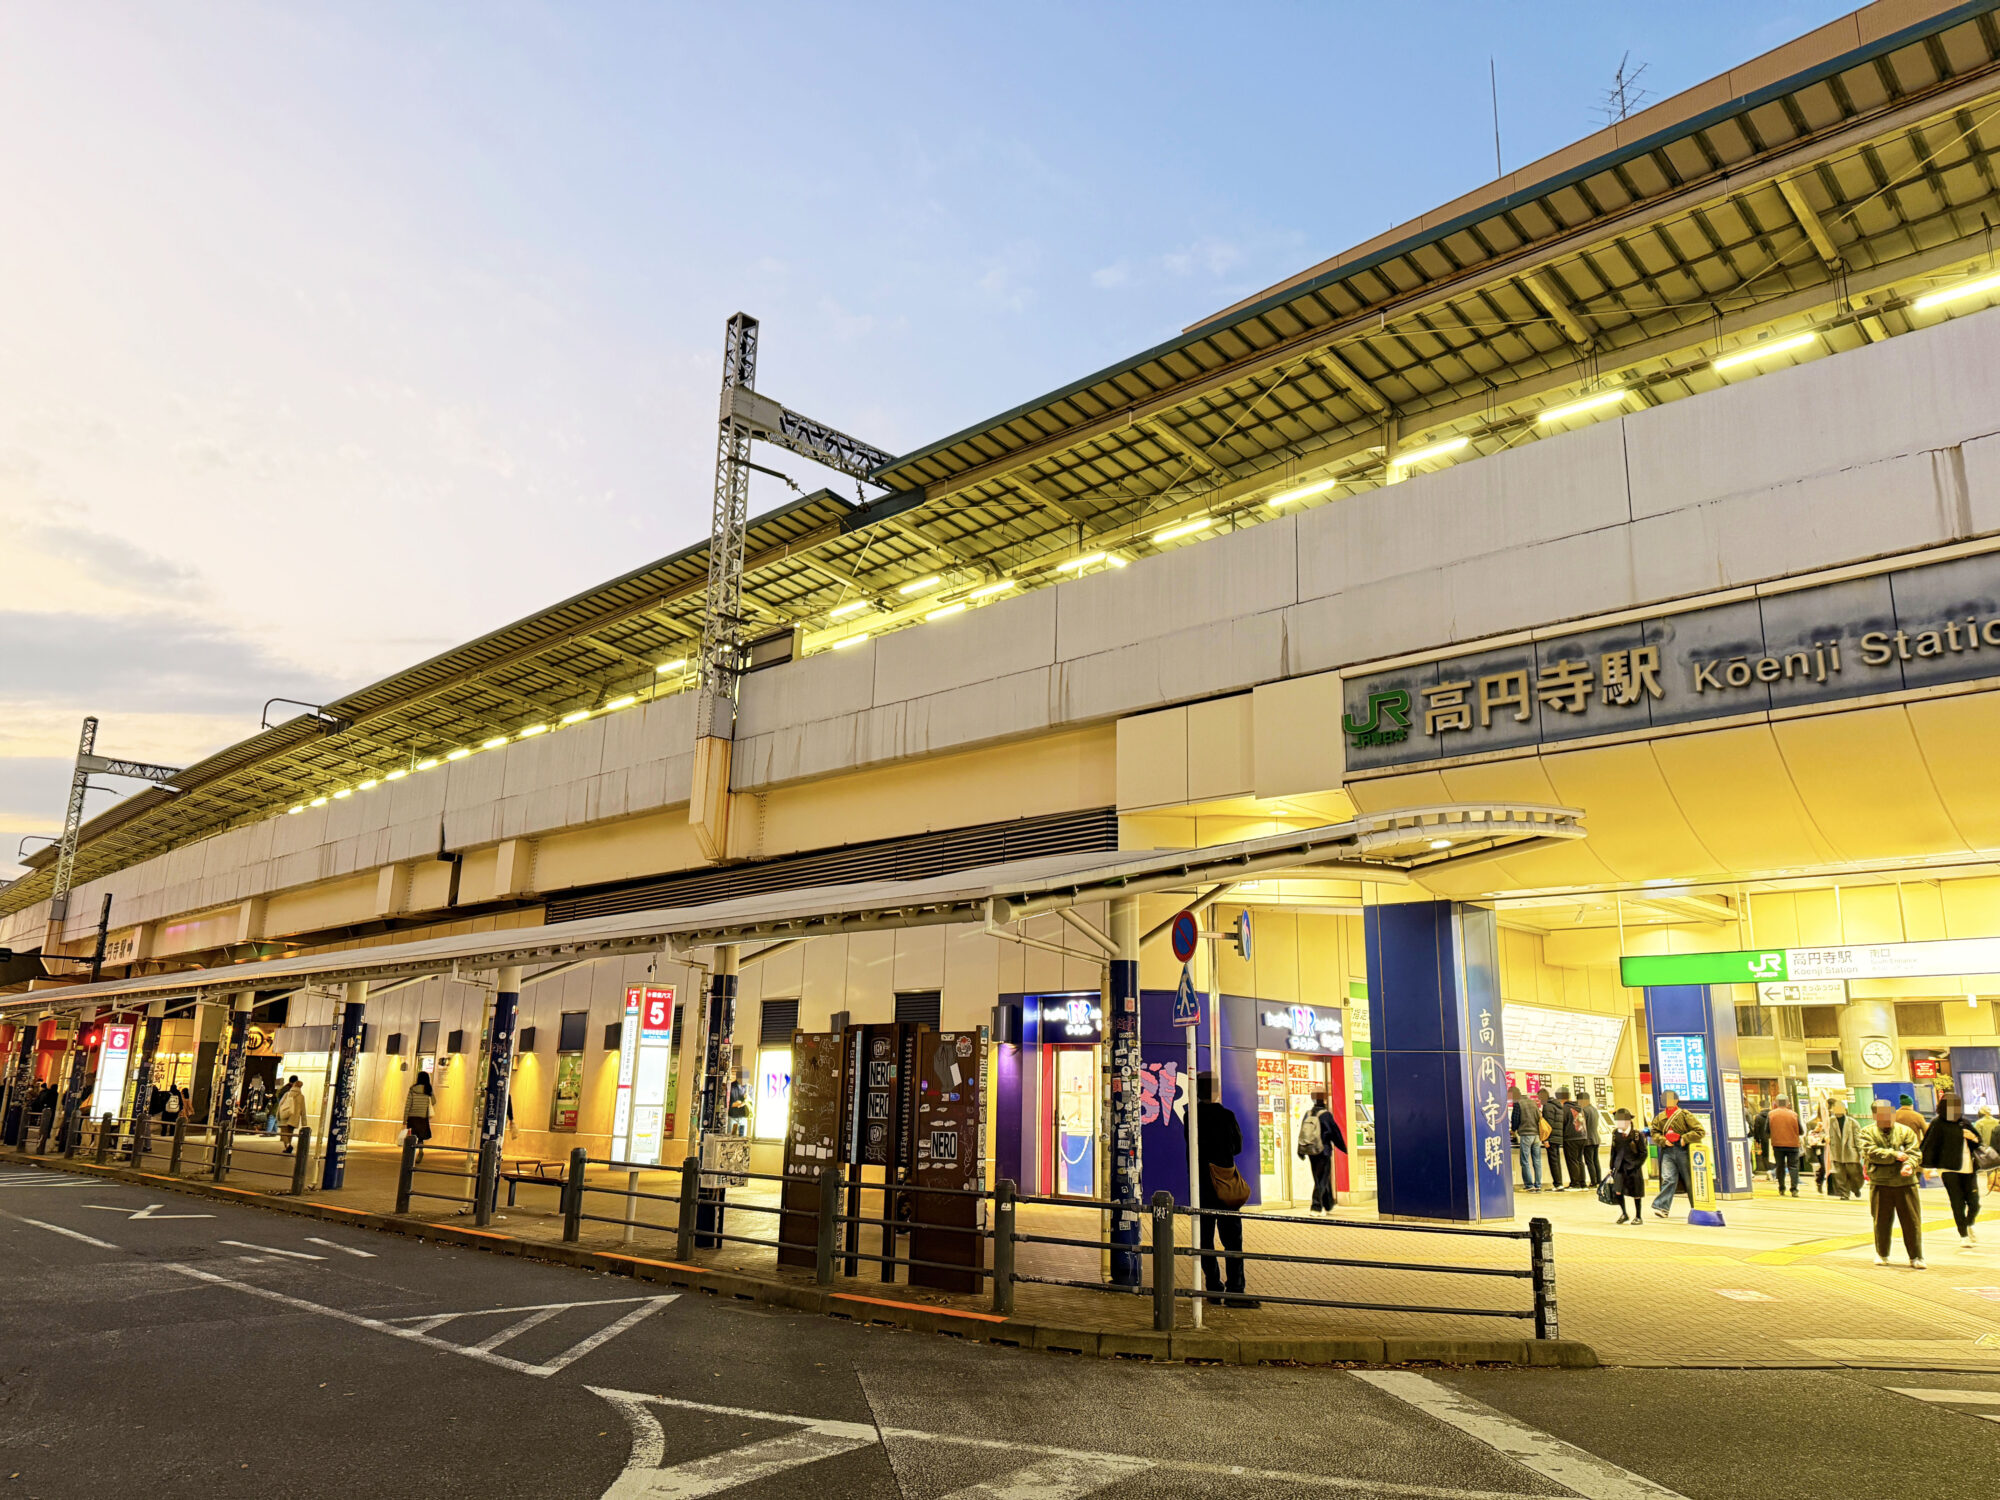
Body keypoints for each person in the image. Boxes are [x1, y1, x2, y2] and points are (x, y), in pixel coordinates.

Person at [1188, 1071, 1257, 1307]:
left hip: (1202, 1187)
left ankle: (1213, 1287)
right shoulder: (1226, 1116)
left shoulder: (1191, 1116)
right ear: (1216, 1091)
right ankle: (1235, 1290)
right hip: (1226, 1187)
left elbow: (1191, 1151)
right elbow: (1237, 1147)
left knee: (1205, 1240)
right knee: (1232, 1241)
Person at [1860, 1097, 1925, 1268]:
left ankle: (1916, 1257)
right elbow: (1871, 1153)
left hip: (1906, 1182)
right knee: (1881, 1221)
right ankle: (1882, 1253)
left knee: (1912, 1221)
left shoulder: (1905, 1131)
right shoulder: (1867, 1133)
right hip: (1880, 1183)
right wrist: (1895, 1155)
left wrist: (1909, 1165)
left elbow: (1915, 1152)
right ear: (1874, 1116)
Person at [1921, 1092, 1982, 1250]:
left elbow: (1978, 1142)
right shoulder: (1938, 1123)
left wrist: (1973, 1138)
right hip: (1948, 1168)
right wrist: (1926, 1167)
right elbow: (1929, 1145)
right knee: (1957, 1202)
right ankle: (1963, 1235)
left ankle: (1969, 1223)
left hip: (1968, 1167)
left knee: (1974, 1203)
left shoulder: (1964, 1122)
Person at [1649, 1090, 1704, 1220]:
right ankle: (1662, 1207)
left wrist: (1685, 1138)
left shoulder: (1685, 1115)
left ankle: (1697, 1208)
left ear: (1676, 1100)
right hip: (1667, 1150)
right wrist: (1662, 1140)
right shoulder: (1660, 1117)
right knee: (1668, 1178)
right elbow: (1654, 1133)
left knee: (1689, 1180)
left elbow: (1699, 1131)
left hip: (1683, 1150)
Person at [1296, 1089, 1345, 1212]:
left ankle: (1328, 1203)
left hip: (1311, 1151)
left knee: (1320, 1176)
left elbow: (1302, 1133)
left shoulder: (1308, 1114)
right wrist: (1344, 1148)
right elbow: (1335, 1133)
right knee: (1322, 1178)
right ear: (1324, 1100)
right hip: (1323, 1151)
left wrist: (1300, 1150)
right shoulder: (1326, 1115)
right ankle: (1316, 1206)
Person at [1606, 1108, 1649, 1223]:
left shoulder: (1637, 1135)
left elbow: (1643, 1153)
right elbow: (1613, 1151)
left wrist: (1636, 1165)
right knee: (1618, 1190)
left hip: (1633, 1168)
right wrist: (1612, 1166)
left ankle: (1638, 1216)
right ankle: (1624, 1213)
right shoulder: (1616, 1134)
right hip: (1620, 1167)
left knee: (1636, 1193)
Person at [1825, 1097, 1865, 1201]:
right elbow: (1824, 1133)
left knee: (1855, 1174)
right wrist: (1825, 1138)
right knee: (1839, 1175)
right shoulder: (1830, 1122)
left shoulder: (1853, 1123)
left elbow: (1858, 1138)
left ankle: (1856, 1188)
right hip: (1836, 1152)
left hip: (1850, 1152)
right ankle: (1844, 1193)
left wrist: (1861, 1151)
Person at [1508, 1086, 1545, 1193]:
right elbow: (1538, 1118)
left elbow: (1515, 1119)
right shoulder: (1533, 1103)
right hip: (1536, 1135)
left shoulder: (1518, 1103)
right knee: (1537, 1161)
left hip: (1525, 1135)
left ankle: (1529, 1185)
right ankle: (1538, 1184)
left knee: (1525, 1161)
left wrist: (1513, 1130)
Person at [1768, 1093, 1802, 1197]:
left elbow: (1767, 1130)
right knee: (1793, 1167)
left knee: (1780, 1166)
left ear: (1776, 1103)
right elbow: (1801, 1131)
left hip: (1777, 1144)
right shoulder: (1794, 1114)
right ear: (1787, 1103)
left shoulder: (1771, 1114)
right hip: (1793, 1144)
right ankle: (1794, 1189)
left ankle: (1781, 1188)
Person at [1558, 1089, 1592, 1189]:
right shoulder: (1579, 1107)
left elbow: (1562, 1122)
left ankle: (1575, 1184)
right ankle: (1582, 1183)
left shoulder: (1565, 1108)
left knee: (1572, 1160)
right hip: (1582, 1136)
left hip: (1571, 1137)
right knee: (1579, 1160)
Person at [1540, 1087, 1571, 1191]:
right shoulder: (1558, 1106)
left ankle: (1557, 1184)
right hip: (1558, 1137)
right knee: (1556, 1161)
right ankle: (1559, 1183)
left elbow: (1547, 1125)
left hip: (1551, 1138)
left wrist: (1546, 1139)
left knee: (1553, 1161)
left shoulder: (1547, 1106)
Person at [403, 1070, 435, 1165]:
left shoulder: (412, 1089)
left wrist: (405, 1119)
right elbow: (434, 1101)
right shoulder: (428, 1090)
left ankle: (411, 1154)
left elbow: (408, 1104)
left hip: (412, 1117)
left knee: (412, 1136)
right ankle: (420, 1151)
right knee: (420, 1137)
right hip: (422, 1117)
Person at [275, 1077, 307, 1154]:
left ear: (294, 1085)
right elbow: (303, 1109)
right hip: (294, 1117)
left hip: (285, 1115)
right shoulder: (301, 1097)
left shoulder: (287, 1094)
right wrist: (304, 1122)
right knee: (290, 1133)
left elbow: (280, 1104)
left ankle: (288, 1146)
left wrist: (278, 1115)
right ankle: (288, 1147)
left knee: (283, 1133)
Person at [1580, 1092, 1603, 1186]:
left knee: (1589, 1162)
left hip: (1588, 1140)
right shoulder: (1594, 1109)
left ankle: (1593, 1181)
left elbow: (1581, 1126)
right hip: (1596, 1138)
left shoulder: (1583, 1110)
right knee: (1595, 1160)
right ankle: (1599, 1180)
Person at [1750, 1100, 1772, 1176]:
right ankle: (1774, 1171)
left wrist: (1757, 1140)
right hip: (1774, 1139)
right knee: (1774, 1155)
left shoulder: (1758, 1117)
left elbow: (1756, 1129)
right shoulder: (1773, 1115)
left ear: (1760, 1106)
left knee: (1765, 1156)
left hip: (1764, 1139)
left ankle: (1768, 1171)